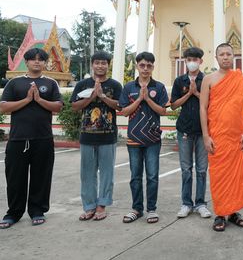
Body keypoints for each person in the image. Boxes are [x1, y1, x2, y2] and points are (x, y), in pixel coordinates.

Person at [0, 48, 63, 229]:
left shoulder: (50, 83)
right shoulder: (15, 83)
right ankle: (13, 213)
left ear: (45, 63)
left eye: (40, 59)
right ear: (26, 62)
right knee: (15, 178)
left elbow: (58, 107)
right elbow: (3, 107)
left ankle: (37, 211)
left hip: (42, 138)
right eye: (33, 59)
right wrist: (27, 100)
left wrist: (39, 100)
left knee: (41, 177)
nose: (37, 62)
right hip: (18, 139)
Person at [199, 43, 243, 232]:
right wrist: (206, 136)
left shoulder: (240, 79)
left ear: (234, 57)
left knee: (237, 177)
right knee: (219, 177)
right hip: (218, 137)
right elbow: (203, 108)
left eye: (228, 54)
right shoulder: (208, 79)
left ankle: (233, 213)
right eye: (221, 54)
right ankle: (220, 214)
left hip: (237, 138)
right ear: (216, 58)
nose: (225, 57)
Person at [70, 51, 122, 222]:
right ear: (92, 65)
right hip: (87, 135)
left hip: (108, 136)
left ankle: (102, 205)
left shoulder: (115, 85)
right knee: (87, 174)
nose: (100, 66)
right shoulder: (82, 84)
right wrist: (92, 96)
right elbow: (75, 107)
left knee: (107, 173)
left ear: (108, 65)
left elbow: (121, 106)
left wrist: (102, 96)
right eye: (97, 63)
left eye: (104, 63)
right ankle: (89, 206)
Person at [119, 52, 168, 224]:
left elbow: (163, 111)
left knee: (153, 176)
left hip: (153, 139)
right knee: (135, 176)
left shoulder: (159, 87)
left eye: (149, 65)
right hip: (134, 138)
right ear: (137, 66)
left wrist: (148, 98)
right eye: (142, 65)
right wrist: (140, 98)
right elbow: (124, 111)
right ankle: (136, 209)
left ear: (153, 67)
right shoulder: (128, 87)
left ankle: (152, 209)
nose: (145, 68)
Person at [170, 47, 211, 219]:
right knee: (186, 169)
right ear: (185, 61)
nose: (192, 62)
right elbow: (173, 105)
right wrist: (189, 94)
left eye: (195, 59)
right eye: (189, 59)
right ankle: (186, 203)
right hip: (185, 130)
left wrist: (197, 92)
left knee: (201, 169)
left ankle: (200, 203)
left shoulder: (207, 80)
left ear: (201, 61)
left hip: (203, 131)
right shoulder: (179, 81)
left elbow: (211, 103)